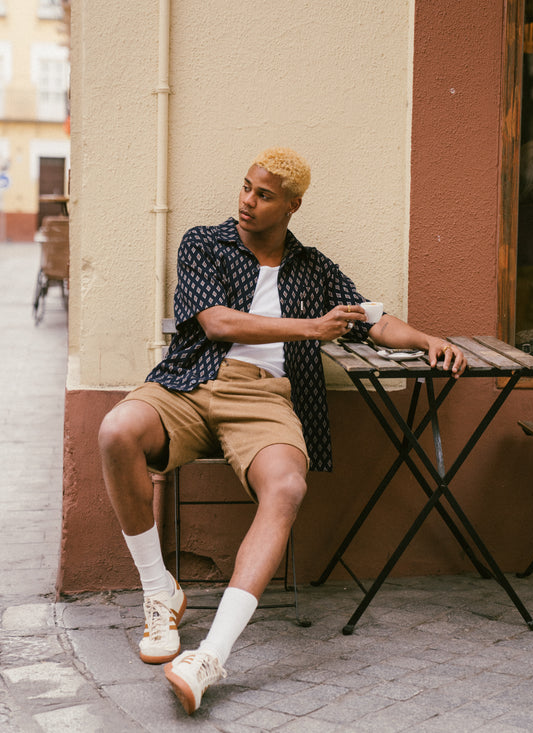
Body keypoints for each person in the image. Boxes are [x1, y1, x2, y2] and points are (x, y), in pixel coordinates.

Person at [98, 147, 467, 715]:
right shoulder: (204, 242)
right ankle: (159, 591)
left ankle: (209, 657)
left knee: (288, 487)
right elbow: (216, 322)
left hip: (263, 397)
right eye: (246, 187)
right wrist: (312, 329)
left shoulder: (313, 267)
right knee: (116, 429)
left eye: (263, 194)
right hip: (190, 382)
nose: (247, 201)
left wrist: (427, 340)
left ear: (292, 205)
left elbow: (372, 319)